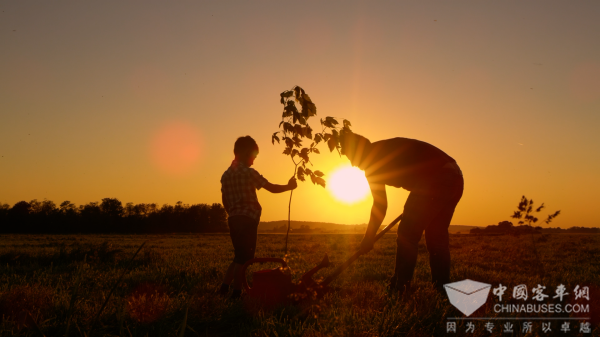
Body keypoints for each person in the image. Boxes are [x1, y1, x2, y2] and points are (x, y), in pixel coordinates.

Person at [339, 132, 464, 295]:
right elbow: (381, 205)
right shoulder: (380, 150)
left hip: (436, 178)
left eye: (351, 157)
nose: (352, 164)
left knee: (407, 234)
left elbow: (380, 205)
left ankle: (400, 287)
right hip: (455, 176)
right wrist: (369, 237)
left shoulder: (373, 160)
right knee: (437, 237)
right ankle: (441, 289)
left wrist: (368, 237)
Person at [219, 136, 297, 299]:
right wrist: (289, 187)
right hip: (248, 219)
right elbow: (272, 188)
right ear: (244, 153)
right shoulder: (249, 173)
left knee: (238, 256)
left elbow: (224, 199)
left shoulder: (226, 175)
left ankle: (224, 288)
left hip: (233, 219)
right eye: (253, 156)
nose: (254, 161)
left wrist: (232, 212)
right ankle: (236, 293)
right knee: (245, 258)